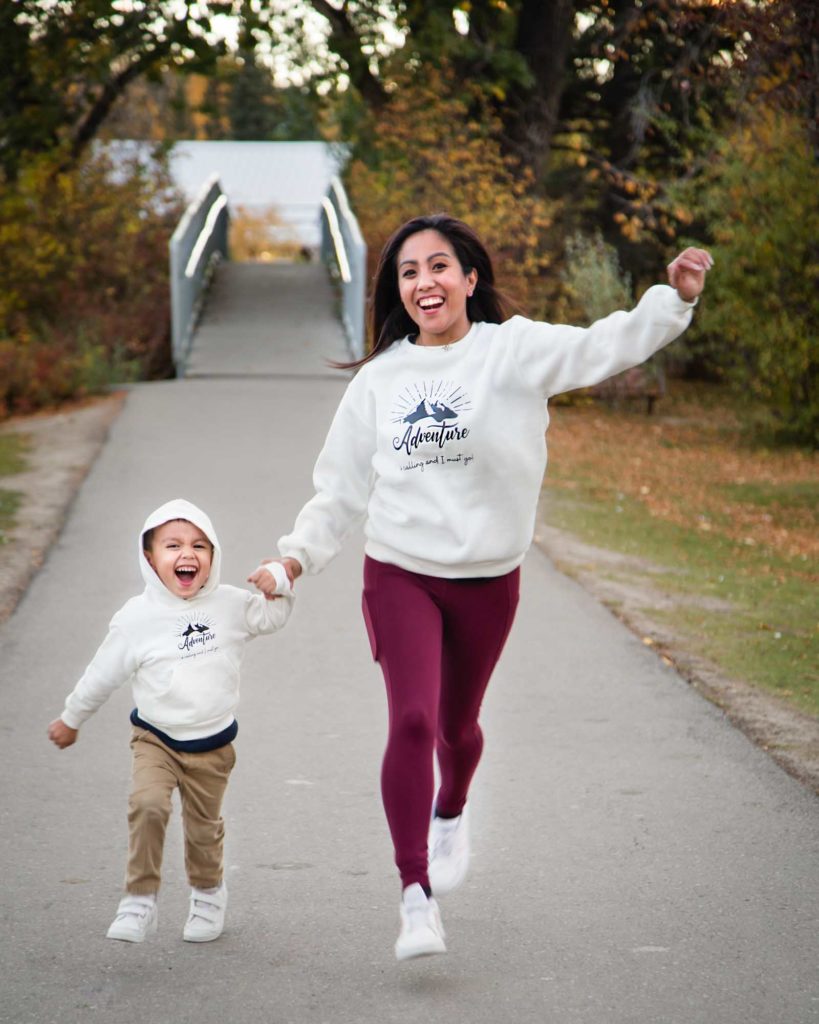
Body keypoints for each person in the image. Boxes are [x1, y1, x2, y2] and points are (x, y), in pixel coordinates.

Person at [249, 214, 712, 961]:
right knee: (411, 722)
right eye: (408, 272)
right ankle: (414, 897)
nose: (423, 282)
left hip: (486, 581)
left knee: (457, 729)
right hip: (398, 570)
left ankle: (451, 807)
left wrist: (672, 300)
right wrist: (292, 561)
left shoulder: (514, 351)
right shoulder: (380, 381)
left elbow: (602, 345)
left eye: (438, 266)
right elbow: (337, 491)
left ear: (468, 279)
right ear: (398, 291)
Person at [48, 498, 293, 944]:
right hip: (155, 739)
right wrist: (72, 717)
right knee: (148, 805)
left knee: (203, 829)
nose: (187, 554)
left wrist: (279, 582)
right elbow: (101, 674)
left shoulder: (229, 605)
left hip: (213, 746)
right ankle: (139, 899)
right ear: (149, 557)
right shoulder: (136, 619)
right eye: (172, 545)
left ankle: (207, 894)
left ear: (213, 556)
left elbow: (271, 617)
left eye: (200, 545)